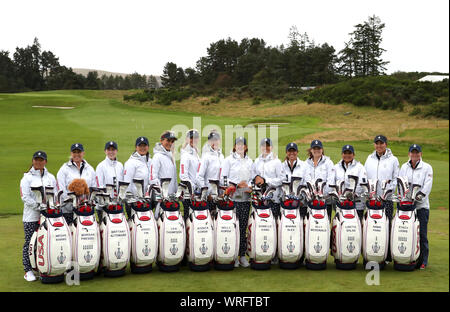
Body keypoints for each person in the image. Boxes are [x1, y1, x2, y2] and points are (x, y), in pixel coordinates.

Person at [20, 151, 57, 282]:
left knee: (45, 242)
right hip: (31, 216)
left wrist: (51, 206)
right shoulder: (27, 178)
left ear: (45, 162)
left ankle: (43, 266)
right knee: (30, 243)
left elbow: (55, 195)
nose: (39, 162)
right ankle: (28, 270)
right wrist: (39, 206)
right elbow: (25, 198)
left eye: (41, 160)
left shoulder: (51, 177)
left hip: (47, 216)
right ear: (33, 161)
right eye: (36, 160)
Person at [398, 144, 433, 270]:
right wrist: (404, 198)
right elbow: (401, 183)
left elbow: (427, 186)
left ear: (420, 154)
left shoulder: (427, 168)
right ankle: (408, 256)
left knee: (422, 234)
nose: (415, 155)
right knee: (408, 233)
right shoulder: (404, 167)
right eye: (412, 153)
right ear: (409, 154)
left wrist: (418, 197)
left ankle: (423, 260)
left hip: (421, 207)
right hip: (407, 207)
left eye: (417, 153)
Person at [221, 136, 253, 268]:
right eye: (237, 145)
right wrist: (234, 185)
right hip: (232, 200)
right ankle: (233, 256)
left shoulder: (250, 161)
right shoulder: (228, 160)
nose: (240, 147)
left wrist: (248, 186)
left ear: (245, 147)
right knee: (232, 229)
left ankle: (242, 256)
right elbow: (223, 179)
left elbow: (252, 178)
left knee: (243, 228)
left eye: (242, 145)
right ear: (234, 147)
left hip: (245, 199)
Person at [57, 143, 96, 225]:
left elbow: (93, 188)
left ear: (83, 153)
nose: (77, 154)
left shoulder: (90, 169)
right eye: (74, 152)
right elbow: (61, 189)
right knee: (70, 235)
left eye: (79, 152)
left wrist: (86, 201)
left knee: (86, 234)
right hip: (68, 210)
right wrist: (73, 201)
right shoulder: (64, 169)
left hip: (86, 209)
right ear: (71, 153)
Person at [364, 135, 399, 221]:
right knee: (371, 225)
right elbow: (364, 177)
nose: (379, 146)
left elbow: (396, 179)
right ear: (374, 145)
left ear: (386, 144)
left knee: (386, 226)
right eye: (377, 143)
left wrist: (388, 192)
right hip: (372, 198)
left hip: (386, 199)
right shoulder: (369, 158)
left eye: (381, 143)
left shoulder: (393, 160)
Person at [330, 145, 368, 220]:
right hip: (340, 203)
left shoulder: (360, 167)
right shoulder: (336, 167)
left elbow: (361, 184)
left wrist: (352, 195)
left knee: (356, 227)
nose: (347, 155)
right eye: (345, 153)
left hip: (357, 204)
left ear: (353, 155)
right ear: (342, 154)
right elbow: (332, 182)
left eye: (349, 153)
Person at [303, 140, 335, 220]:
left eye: (319, 148)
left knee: (324, 227)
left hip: (325, 201)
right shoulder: (306, 164)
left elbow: (331, 182)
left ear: (322, 150)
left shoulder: (328, 163)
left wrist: (322, 195)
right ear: (311, 150)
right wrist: (310, 195)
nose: (316, 150)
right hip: (310, 201)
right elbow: (304, 181)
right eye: (314, 148)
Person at [150, 131, 178, 218]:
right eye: (168, 140)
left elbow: (174, 178)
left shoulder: (170, 156)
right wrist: (161, 193)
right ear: (161, 141)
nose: (170, 143)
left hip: (171, 197)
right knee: (160, 220)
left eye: (172, 141)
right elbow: (152, 177)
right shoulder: (157, 156)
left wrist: (176, 192)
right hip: (161, 197)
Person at [196, 130, 224, 216]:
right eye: (212, 140)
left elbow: (222, 175)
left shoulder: (221, 156)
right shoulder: (206, 156)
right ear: (209, 142)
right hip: (209, 196)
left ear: (219, 141)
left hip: (219, 195)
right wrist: (206, 192)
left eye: (216, 140)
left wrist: (223, 192)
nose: (214, 142)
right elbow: (199, 176)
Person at [123, 136, 152, 217]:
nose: (142, 148)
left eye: (144, 146)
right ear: (136, 147)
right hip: (134, 201)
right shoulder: (131, 163)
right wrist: (130, 201)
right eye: (140, 146)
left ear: (148, 147)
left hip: (146, 199)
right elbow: (127, 182)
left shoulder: (150, 161)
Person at [281, 142, 308, 216]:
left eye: (294, 151)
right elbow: (280, 184)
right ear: (286, 152)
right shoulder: (282, 166)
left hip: (301, 203)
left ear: (297, 152)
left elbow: (306, 183)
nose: (292, 153)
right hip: (285, 203)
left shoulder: (304, 166)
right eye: (290, 151)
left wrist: (302, 200)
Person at [179, 129, 201, 220]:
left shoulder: (195, 153)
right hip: (189, 193)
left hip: (196, 192)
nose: (193, 140)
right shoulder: (186, 154)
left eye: (195, 138)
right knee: (188, 218)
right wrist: (192, 190)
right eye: (191, 138)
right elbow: (183, 175)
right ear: (187, 139)